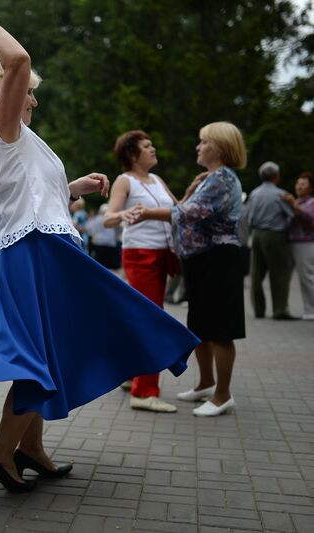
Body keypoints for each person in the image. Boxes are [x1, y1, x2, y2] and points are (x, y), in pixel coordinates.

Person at [0, 14, 198, 494]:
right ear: (3, 92)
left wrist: (72, 188)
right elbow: (19, 59)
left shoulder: (19, 139)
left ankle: (31, 449)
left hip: (45, 248)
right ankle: (2, 454)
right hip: (31, 253)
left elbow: (25, 195)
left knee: (49, 352)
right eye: (26, 91)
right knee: (39, 356)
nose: (34, 97)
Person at [129, 121, 247, 417]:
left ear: (219, 147)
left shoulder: (223, 178)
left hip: (218, 259)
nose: (199, 146)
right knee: (201, 325)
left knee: (220, 328)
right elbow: (186, 208)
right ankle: (206, 383)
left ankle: (223, 395)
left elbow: (188, 213)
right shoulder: (210, 178)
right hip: (202, 261)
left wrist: (147, 214)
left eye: (204, 142)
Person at [104, 130, 180, 413]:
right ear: (132, 154)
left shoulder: (157, 180)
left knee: (142, 318)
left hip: (162, 254)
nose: (153, 149)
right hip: (140, 255)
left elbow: (179, 210)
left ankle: (130, 373)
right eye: (147, 146)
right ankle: (145, 391)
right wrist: (122, 215)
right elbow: (109, 217)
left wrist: (198, 189)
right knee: (152, 320)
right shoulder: (125, 181)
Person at [242, 161, 296, 319]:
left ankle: (259, 310)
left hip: (256, 234)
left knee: (256, 273)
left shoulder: (254, 193)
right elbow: (292, 215)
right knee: (279, 272)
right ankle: (279, 310)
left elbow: (248, 217)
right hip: (275, 235)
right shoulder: (280, 195)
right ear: (276, 177)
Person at [284, 171, 314, 319]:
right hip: (292, 243)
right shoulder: (297, 201)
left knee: (307, 277)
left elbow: (309, 218)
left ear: (310, 188)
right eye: (298, 183)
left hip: (305, 243)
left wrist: (293, 205)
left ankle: (311, 310)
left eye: (303, 184)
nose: (299, 186)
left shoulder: (311, 203)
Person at [87, 204, 120, 270]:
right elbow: (118, 230)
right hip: (111, 242)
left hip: (100, 242)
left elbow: (91, 230)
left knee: (100, 264)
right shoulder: (112, 218)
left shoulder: (97, 219)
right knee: (109, 264)